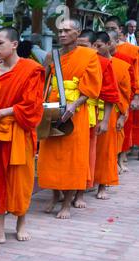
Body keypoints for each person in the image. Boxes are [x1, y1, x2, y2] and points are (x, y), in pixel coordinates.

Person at [37, 19, 102, 219]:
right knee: (50, 156)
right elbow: (44, 83)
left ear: (77, 32)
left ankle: (67, 202)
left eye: (67, 30)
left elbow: (91, 88)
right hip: (53, 110)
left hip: (76, 111)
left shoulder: (89, 56)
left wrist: (74, 105)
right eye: (60, 31)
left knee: (72, 158)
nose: (62, 34)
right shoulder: (52, 55)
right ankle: (55, 195)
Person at [0, 27, 44, 243]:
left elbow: (32, 105)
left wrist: (4, 111)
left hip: (19, 130)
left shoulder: (31, 69)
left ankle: (21, 222)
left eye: (0, 43)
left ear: (14, 44)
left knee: (21, 179)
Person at [73, 29, 119, 208]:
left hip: (93, 113)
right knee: (73, 155)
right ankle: (66, 190)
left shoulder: (103, 63)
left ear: (93, 46)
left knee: (91, 154)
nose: (80, 49)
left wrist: (105, 120)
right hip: (71, 111)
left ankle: (83, 192)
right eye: (78, 45)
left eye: (84, 45)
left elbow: (110, 95)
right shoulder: (69, 58)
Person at [94, 31, 131, 199]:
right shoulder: (91, 62)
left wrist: (123, 116)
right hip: (90, 110)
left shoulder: (121, 66)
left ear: (109, 45)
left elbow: (125, 94)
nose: (95, 49)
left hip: (110, 112)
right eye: (93, 46)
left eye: (99, 46)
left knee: (106, 151)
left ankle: (102, 185)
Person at [106, 16, 139, 164]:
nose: (110, 31)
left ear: (120, 30)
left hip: (126, 92)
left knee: (125, 124)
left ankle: (121, 157)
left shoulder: (132, 50)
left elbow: (136, 73)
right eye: (107, 29)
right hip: (107, 95)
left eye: (113, 28)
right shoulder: (100, 48)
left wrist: (136, 95)